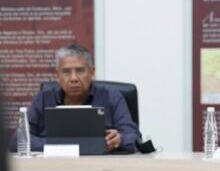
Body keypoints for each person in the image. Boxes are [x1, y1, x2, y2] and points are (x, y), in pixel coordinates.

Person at [8, 44, 141, 153]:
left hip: (100, 170)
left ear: (92, 72)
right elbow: (18, 141)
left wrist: (120, 140)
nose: (73, 78)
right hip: (52, 170)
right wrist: (67, 147)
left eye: (80, 70)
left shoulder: (112, 97)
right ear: (57, 75)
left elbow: (135, 137)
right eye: (66, 72)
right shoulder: (43, 99)